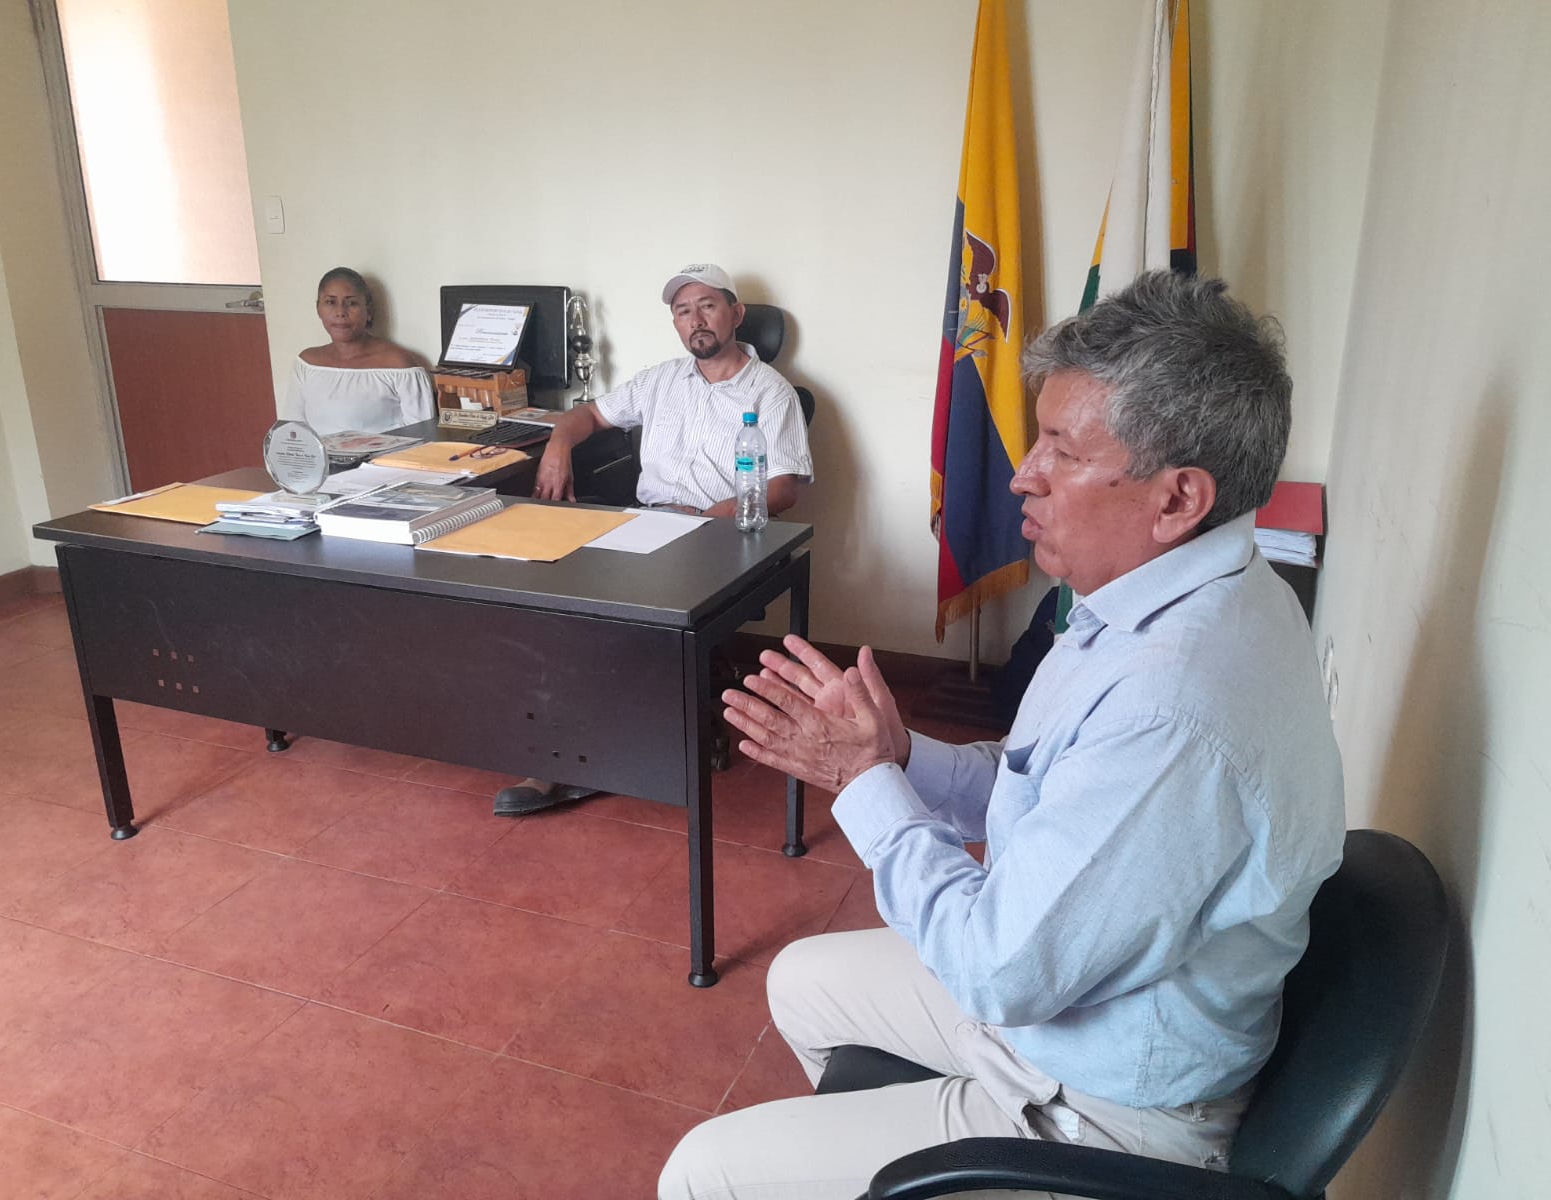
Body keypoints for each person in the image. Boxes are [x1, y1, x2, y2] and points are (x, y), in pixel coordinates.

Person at [658, 271, 1346, 1199]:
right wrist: (901, 759)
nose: (1023, 474)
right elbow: (1043, 779)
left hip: (1099, 1103)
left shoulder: (1174, 709)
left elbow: (996, 968)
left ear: (1178, 499)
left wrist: (865, 785)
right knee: (800, 981)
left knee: (702, 1175)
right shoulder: (1182, 592)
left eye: (1061, 449)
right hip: (1066, 1003)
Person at [493, 262, 814, 818]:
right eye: (683, 311)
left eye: (707, 305)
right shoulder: (661, 380)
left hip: (721, 536)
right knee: (555, 595)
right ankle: (566, 746)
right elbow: (587, 415)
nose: (696, 320)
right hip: (647, 526)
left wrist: (702, 521)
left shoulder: (771, 392)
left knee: (614, 620)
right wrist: (557, 447)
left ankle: (577, 760)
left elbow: (783, 488)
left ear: (736, 314)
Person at [280, 267, 433, 433]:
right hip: (316, 452)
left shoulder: (399, 364)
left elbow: (423, 434)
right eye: (330, 302)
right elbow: (292, 431)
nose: (340, 312)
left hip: (382, 451)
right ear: (318, 309)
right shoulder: (307, 363)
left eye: (352, 303)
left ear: (369, 311)